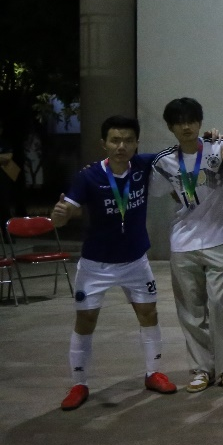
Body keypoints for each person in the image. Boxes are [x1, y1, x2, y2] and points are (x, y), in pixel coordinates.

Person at [51, 116, 178, 410]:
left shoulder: (144, 165)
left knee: (148, 313)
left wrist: (213, 138)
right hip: (96, 264)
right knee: (85, 320)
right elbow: (66, 212)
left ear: (137, 143)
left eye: (128, 140)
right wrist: (60, 216)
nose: (122, 146)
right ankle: (79, 384)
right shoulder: (88, 176)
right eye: (115, 140)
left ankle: (153, 372)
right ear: (104, 143)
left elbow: (180, 150)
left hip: (135, 260)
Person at [151, 97, 223, 390]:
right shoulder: (164, 161)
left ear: (200, 122)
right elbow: (164, 190)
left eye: (191, 120)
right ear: (171, 127)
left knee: (220, 305)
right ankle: (201, 368)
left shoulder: (219, 147)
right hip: (183, 243)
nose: (186, 127)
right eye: (179, 122)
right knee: (191, 311)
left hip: (221, 238)